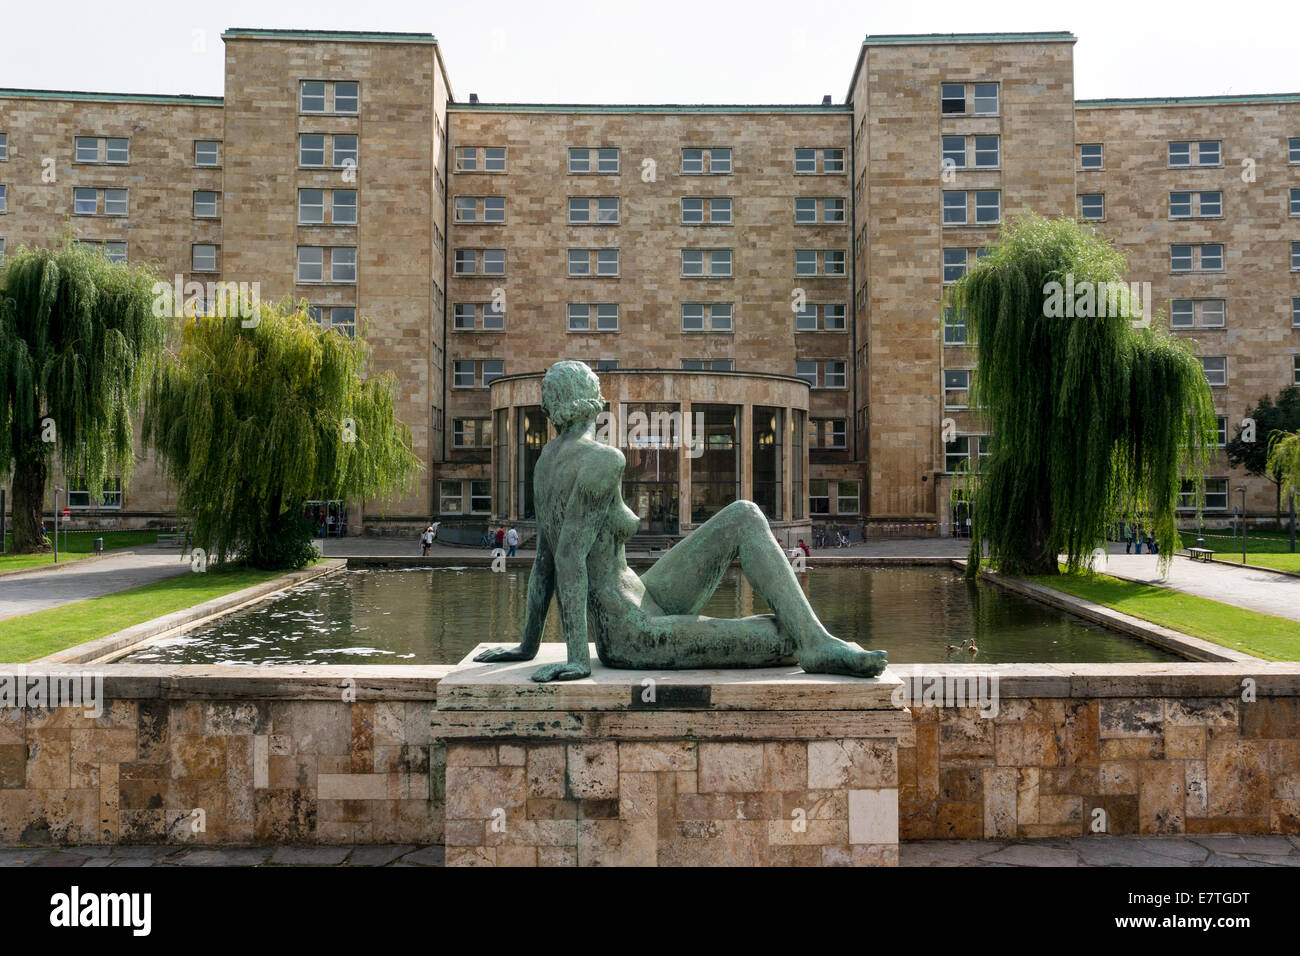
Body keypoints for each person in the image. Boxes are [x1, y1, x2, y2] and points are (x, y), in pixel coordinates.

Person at [472, 360, 886, 681]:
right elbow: (566, 559)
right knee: (779, 638)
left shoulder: (546, 463)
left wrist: (528, 646)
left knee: (743, 515)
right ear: (593, 401)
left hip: (645, 595)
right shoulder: (602, 459)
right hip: (632, 633)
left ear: (550, 407)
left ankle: (815, 641)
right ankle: (812, 643)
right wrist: (580, 659)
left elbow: (543, 562)